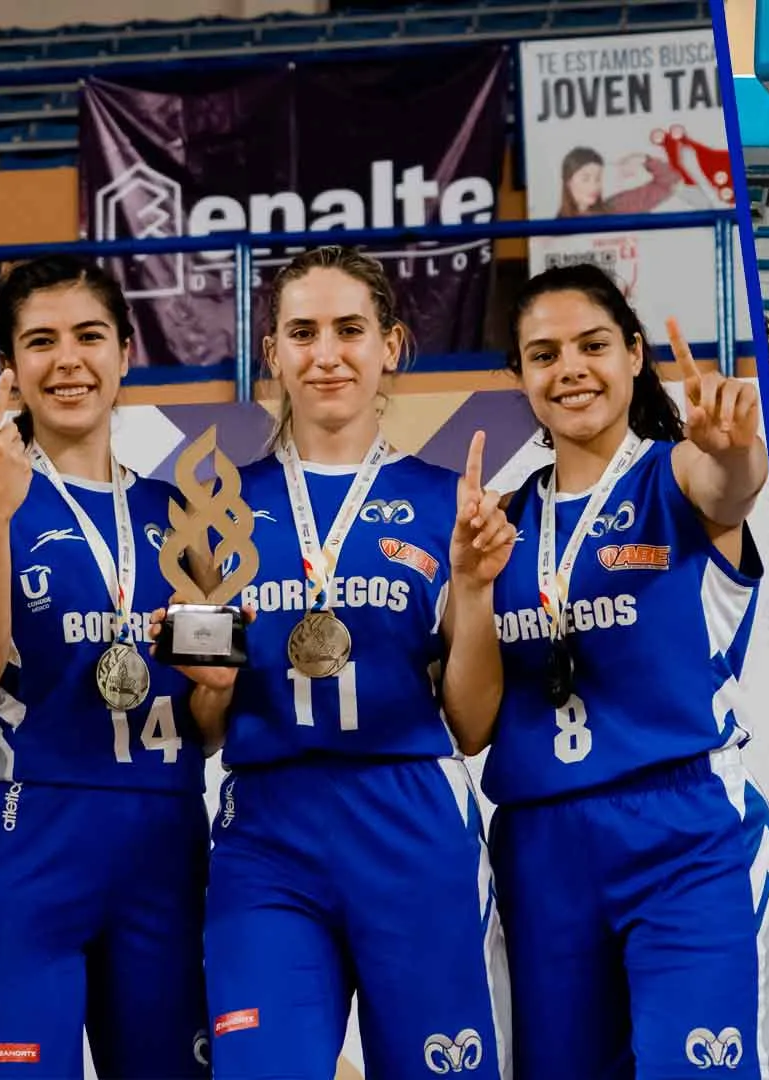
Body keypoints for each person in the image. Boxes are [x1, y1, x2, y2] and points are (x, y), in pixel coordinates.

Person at [190, 247, 517, 1076]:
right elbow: (202, 730)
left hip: (412, 819)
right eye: (302, 332)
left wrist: (475, 589)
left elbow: (475, 725)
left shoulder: (453, 503)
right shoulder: (215, 507)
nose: (326, 353)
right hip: (267, 831)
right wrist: (211, 688)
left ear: (391, 347)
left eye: (349, 330)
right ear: (272, 353)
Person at [487, 263, 769, 1076]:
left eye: (593, 345)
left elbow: (728, 487)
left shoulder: (675, 472)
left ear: (634, 353)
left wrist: (735, 453)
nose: (571, 369)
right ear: (520, 375)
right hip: (540, 843)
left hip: (684, 831)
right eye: (544, 353)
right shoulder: (504, 520)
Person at [0, 256, 209, 1074]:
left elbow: (213, 718)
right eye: (40, 342)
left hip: (165, 834)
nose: (68, 361)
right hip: (25, 837)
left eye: (89, 336)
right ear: (11, 369)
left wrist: (221, 683)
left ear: (125, 351)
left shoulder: (184, 514)